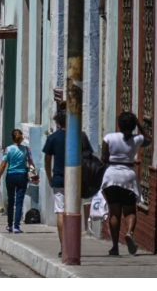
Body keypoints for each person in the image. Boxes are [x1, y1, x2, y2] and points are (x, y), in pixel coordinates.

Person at [43, 109, 93, 258]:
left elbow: (47, 160)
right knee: (74, 211)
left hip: (58, 179)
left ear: (58, 122)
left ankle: (64, 246)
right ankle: (73, 245)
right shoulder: (80, 137)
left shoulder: (53, 138)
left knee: (61, 212)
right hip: (76, 180)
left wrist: (49, 177)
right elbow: (88, 156)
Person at [101, 111, 151, 256]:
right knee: (129, 211)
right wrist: (139, 124)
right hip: (128, 176)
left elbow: (104, 158)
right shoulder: (137, 139)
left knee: (114, 212)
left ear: (119, 124)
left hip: (111, 176)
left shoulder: (109, 138)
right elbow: (149, 139)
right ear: (133, 125)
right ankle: (129, 232)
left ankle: (115, 247)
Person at [0, 129, 33, 234]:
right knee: (19, 201)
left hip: (11, 176)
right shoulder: (26, 149)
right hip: (22, 176)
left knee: (11, 201)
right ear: (21, 138)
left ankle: (9, 225)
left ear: (12, 138)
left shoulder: (8, 149)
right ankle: (17, 226)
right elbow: (31, 163)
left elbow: (3, 165)